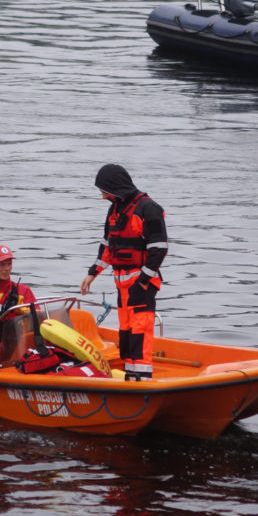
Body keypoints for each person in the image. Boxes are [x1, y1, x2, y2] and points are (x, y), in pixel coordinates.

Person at [80, 164, 168, 382]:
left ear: (115, 187)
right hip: (123, 286)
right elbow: (108, 246)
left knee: (141, 330)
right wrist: (93, 273)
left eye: (104, 191)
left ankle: (143, 379)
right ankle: (132, 375)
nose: (103, 197)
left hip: (142, 284)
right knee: (127, 333)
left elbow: (159, 249)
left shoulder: (149, 209)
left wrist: (143, 281)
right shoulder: (115, 209)